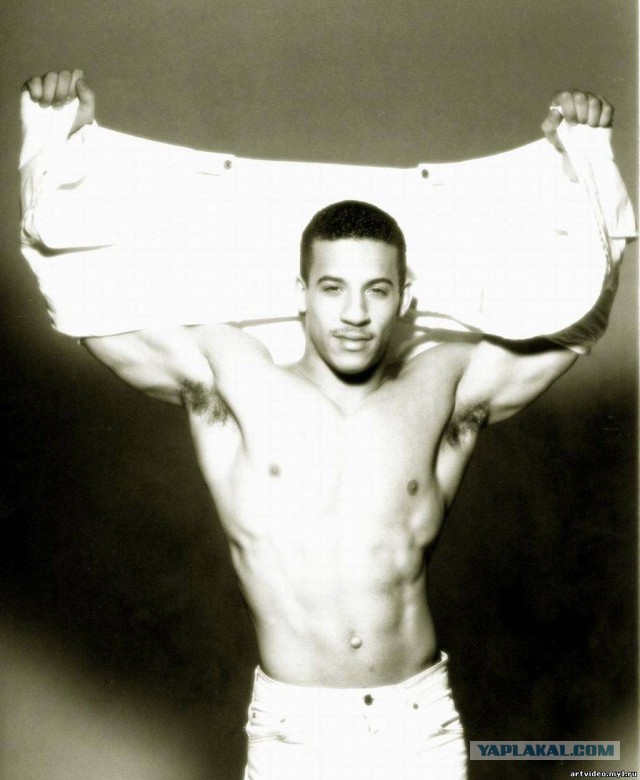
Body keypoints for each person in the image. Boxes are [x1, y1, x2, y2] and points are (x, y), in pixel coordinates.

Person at [23, 70, 625, 780]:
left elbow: (578, 316)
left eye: (377, 290)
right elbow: (82, 301)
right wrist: (55, 140)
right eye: (333, 288)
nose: (355, 314)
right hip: (294, 736)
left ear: (406, 297)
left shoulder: (443, 386)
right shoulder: (231, 378)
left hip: (418, 727)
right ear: (301, 292)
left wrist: (586, 157)